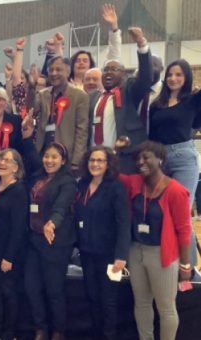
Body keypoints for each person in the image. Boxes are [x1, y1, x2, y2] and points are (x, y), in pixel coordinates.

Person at [119, 141, 192, 340]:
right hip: (136, 252)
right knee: (141, 303)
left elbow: (184, 230)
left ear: (160, 159)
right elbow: (112, 170)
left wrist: (185, 265)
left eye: (146, 157)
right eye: (138, 159)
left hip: (162, 255)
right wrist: (119, 150)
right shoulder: (135, 182)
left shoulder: (176, 191)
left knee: (166, 308)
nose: (141, 162)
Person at [149, 59, 201, 267]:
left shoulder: (193, 99)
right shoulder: (157, 105)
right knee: (161, 213)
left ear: (187, 77)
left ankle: (189, 267)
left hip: (184, 159)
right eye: (170, 74)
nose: (173, 78)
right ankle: (169, 262)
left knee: (181, 214)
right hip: (160, 160)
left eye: (179, 74)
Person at [74, 146, 130, 340]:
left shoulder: (115, 187)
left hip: (109, 256)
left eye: (100, 160)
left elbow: (124, 223)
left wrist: (121, 255)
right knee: (92, 297)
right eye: (92, 160)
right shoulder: (82, 185)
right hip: (87, 253)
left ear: (108, 164)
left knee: (108, 301)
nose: (95, 164)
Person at [25, 143, 77, 340]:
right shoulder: (38, 176)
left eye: (54, 157)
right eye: (46, 156)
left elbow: (62, 207)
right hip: (34, 240)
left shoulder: (68, 181)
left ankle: (58, 331)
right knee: (31, 287)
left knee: (54, 290)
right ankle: (40, 329)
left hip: (55, 242)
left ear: (63, 160)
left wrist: (51, 224)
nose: (49, 160)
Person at [88, 27, 153, 174]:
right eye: (106, 69)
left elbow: (146, 78)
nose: (109, 72)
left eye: (114, 69)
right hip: (96, 161)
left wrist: (141, 45)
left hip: (123, 159)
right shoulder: (93, 97)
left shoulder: (129, 91)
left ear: (123, 75)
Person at [0, 149, 30, 340]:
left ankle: (8, 333)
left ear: (16, 167)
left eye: (7, 160)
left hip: (8, 252)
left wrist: (9, 257)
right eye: (0, 159)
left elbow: (19, 228)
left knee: (8, 293)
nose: (2, 162)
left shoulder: (19, 190)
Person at [34, 56, 89, 171]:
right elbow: (29, 111)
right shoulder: (43, 94)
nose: (54, 73)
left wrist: (76, 161)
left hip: (66, 155)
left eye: (58, 70)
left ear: (68, 72)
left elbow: (82, 131)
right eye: (51, 70)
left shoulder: (80, 96)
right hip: (43, 152)